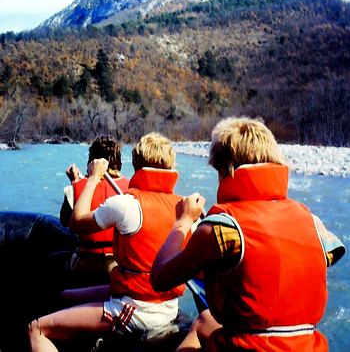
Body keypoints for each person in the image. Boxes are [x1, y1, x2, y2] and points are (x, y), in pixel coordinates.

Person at [150, 116, 346, 352]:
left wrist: (182, 221)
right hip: (307, 345)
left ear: (224, 169)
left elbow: (160, 278)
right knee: (203, 321)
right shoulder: (313, 222)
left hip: (246, 347)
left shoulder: (221, 229)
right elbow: (295, 262)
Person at [28, 132, 186, 352]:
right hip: (160, 302)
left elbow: (75, 223)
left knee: (35, 329)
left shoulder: (127, 203)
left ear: (136, 162)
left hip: (135, 307)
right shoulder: (184, 209)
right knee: (64, 297)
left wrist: (90, 179)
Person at [60, 136, 129, 287]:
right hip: (116, 266)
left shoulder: (75, 187)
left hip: (84, 263)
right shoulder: (131, 190)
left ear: (91, 161)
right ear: (118, 161)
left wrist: (75, 183)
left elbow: (65, 222)